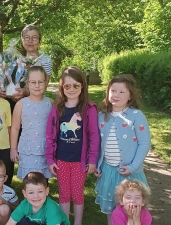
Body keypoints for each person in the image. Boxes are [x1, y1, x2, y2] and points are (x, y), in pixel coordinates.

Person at [45, 66, 100, 225]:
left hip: (79, 161)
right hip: (61, 160)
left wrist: (92, 159)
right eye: (67, 86)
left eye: (76, 85)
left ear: (82, 85)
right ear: (62, 87)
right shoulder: (57, 109)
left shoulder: (89, 109)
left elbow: (94, 135)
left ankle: (78, 222)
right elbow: (50, 136)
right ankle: (65, 222)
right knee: (64, 194)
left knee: (77, 194)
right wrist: (50, 159)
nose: (71, 89)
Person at [94, 74, 151, 225]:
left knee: (130, 207)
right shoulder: (102, 116)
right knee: (111, 208)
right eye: (113, 91)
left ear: (130, 95)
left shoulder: (136, 116)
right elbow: (97, 143)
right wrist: (97, 165)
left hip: (129, 172)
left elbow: (144, 143)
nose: (116, 95)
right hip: (108, 171)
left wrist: (132, 167)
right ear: (107, 92)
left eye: (121, 92)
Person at [10, 66, 53, 180]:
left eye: (40, 82)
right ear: (27, 83)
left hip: (45, 149)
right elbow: (15, 128)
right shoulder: (21, 104)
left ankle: (43, 197)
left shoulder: (51, 103)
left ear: (46, 82)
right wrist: (13, 149)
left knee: (43, 181)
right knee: (28, 180)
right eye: (33, 82)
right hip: (27, 149)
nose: (37, 85)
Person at [6, 172, 70, 225]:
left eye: (40, 191)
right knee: (22, 221)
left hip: (58, 223)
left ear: (47, 191)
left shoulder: (51, 208)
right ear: (25, 193)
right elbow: (10, 223)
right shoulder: (24, 205)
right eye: (31, 192)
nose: (36, 196)